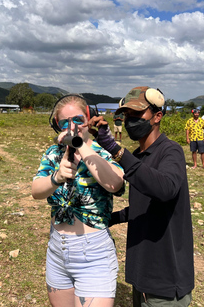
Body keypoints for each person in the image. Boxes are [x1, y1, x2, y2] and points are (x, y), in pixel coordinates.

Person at [89, 86, 194, 307]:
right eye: (126, 115)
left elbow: (164, 189)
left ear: (157, 116)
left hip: (165, 280)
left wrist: (116, 150)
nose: (130, 120)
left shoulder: (171, 151)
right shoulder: (139, 156)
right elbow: (145, 205)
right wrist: (113, 218)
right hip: (143, 274)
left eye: (137, 114)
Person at [32, 94, 125, 307]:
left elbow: (114, 184)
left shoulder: (102, 151)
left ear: (89, 118)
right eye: (65, 122)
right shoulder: (52, 154)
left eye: (78, 120)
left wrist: (80, 145)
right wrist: (56, 177)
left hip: (93, 254)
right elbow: (36, 191)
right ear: (57, 126)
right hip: (57, 250)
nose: (72, 126)